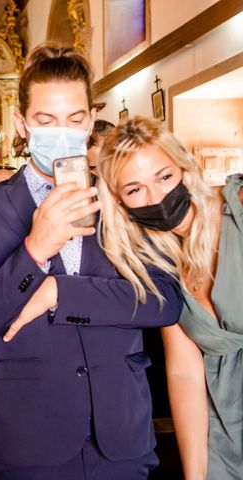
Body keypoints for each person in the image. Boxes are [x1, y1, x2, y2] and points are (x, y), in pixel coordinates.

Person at [0, 44, 183, 479]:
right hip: (27, 436)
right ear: (21, 124)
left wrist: (61, 292)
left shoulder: (123, 196)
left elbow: (165, 299)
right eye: (46, 120)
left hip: (121, 432)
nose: (63, 131)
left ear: (91, 120)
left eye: (75, 120)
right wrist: (33, 251)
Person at [96, 116, 243, 480]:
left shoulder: (238, 208)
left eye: (163, 177)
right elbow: (185, 373)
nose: (157, 197)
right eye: (135, 189)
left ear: (184, 166)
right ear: (119, 202)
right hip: (225, 431)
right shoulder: (157, 263)